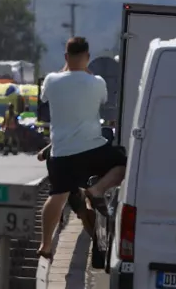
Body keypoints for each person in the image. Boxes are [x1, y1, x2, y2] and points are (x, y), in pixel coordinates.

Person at [36, 37, 127, 260]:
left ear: (66, 57)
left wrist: (67, 68)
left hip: (62, 153)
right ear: (87, 57)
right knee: (123, 163)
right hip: (92, 150)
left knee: (57, 196)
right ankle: (97, 190)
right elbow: (103, 101)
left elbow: (46, 96)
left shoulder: (51, 81)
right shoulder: (97, 83)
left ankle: (46, 245)